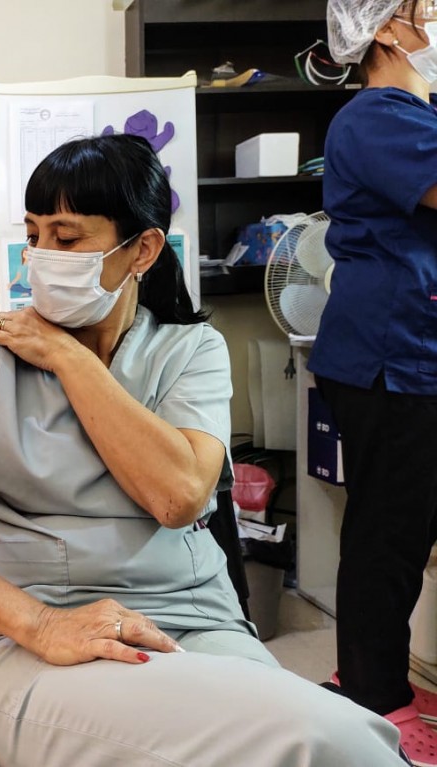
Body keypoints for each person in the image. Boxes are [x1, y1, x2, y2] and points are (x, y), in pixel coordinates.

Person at [0, 135, 407, 766]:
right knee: (324, 742)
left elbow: (179, 497)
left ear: (143, 249)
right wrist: (42, 625)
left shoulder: (189, 351)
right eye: (34, 235)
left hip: (196, 626)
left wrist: (69, 358)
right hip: (35, 643)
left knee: (331, 740)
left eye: (67, 238)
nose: (40, 257)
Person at [307, 1, 437, 763]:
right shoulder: (379, 116)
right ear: (386, 26)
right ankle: (373, 696)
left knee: (401, 529)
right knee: (390, 536)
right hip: (392, 356)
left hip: (407, 354)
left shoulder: (413, 117)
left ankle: (371, 675)